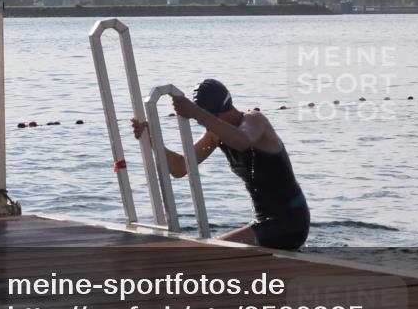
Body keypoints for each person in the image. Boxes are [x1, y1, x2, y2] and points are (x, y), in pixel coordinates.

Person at [131, 79, 309, 250]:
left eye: (204, 118)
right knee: (211, 251)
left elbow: (243, 141)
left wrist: (196, 112)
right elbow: (180, 167)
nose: (203, 124)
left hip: (290, 220)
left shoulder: (255, 120)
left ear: (218, 111)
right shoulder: (215, 134)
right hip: (262, 221)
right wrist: (151, 139)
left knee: (211, 251)